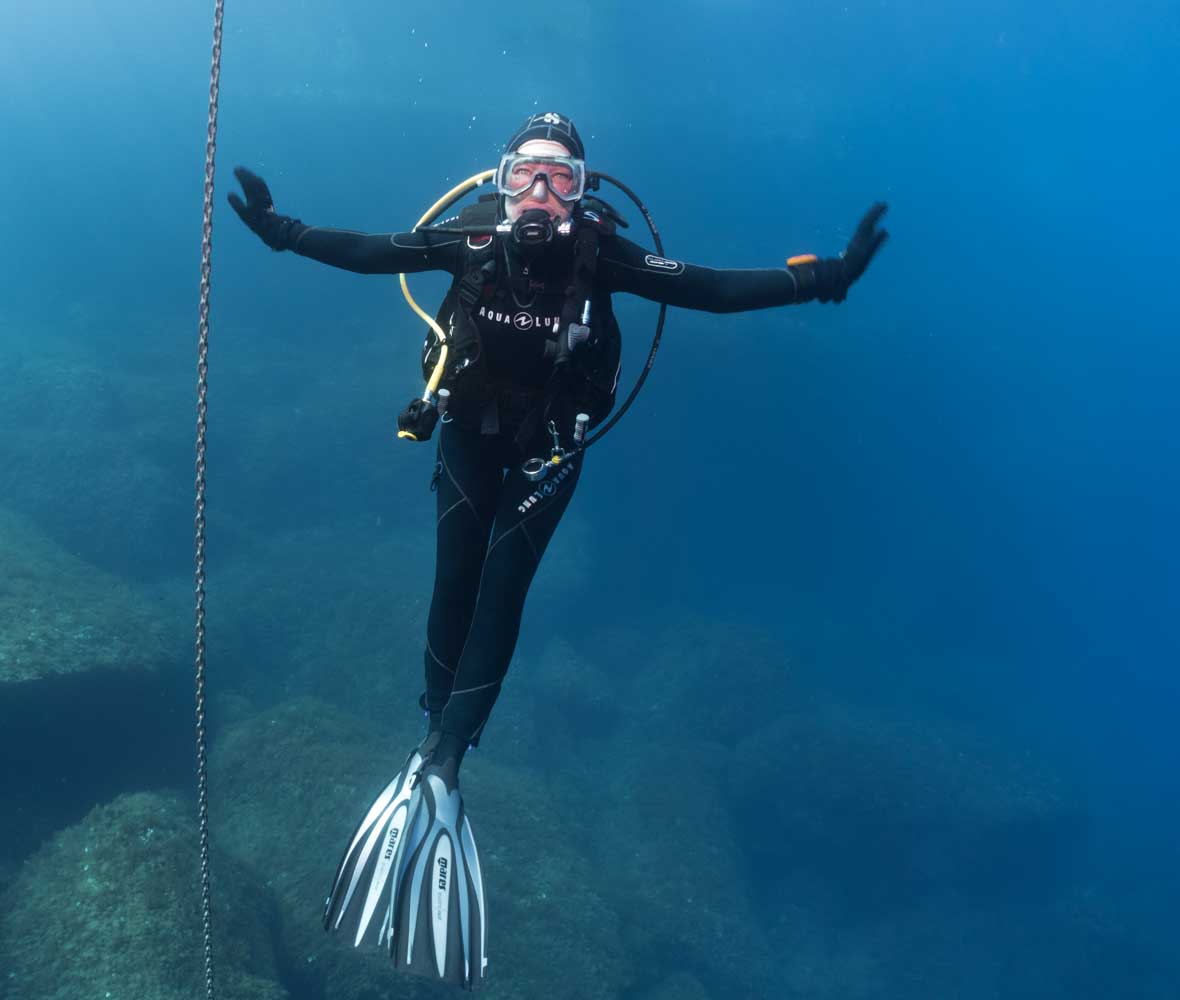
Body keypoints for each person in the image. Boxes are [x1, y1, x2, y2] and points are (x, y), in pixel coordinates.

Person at [229, 111, 887, 988]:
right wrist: (283, 233)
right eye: (526, 175)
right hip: (468, 429)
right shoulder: (469, 241)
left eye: (561, 179)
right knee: (453, 576)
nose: (541, 194)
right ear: (499, 182)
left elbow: (714, 289)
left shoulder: (601, 256)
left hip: (551, 446)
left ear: (585, 191)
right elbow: (372, 252)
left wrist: (828, 279)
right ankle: (433, 740)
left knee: (504, 586)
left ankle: (449, 756)